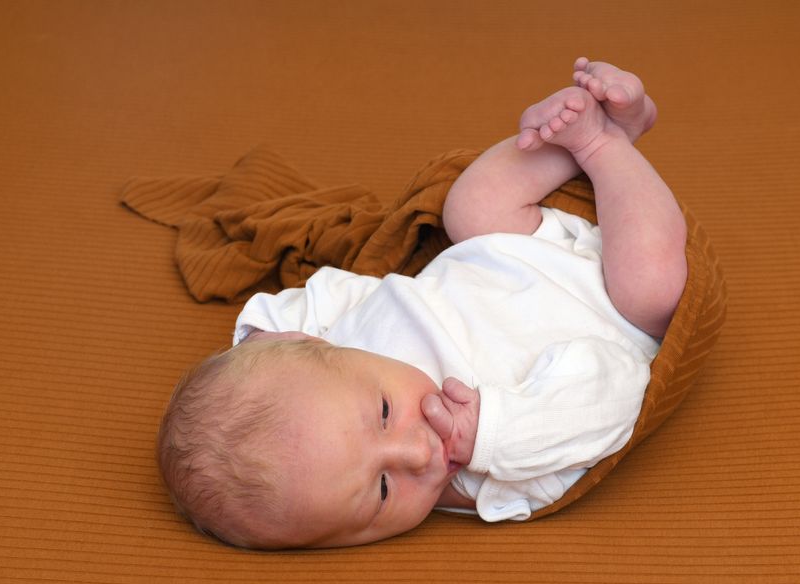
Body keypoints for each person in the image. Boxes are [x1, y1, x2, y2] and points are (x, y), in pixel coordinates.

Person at [157, 57, 688, 549]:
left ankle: (587, 131)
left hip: (517, 246)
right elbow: (616, 389)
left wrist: (260, 346)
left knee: (470, 207)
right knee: (653, 287)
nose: (417, 453)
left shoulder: (331, 346)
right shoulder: (488, 480)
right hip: (612, 305)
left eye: (385, 413)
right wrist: (495, 432)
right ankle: (604, 147)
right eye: (382, 491)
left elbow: (304, 308)